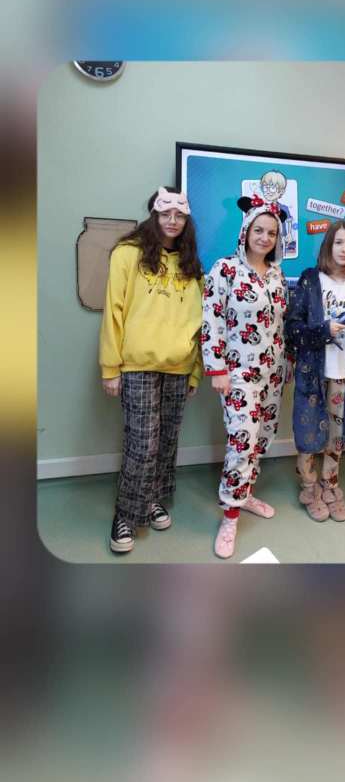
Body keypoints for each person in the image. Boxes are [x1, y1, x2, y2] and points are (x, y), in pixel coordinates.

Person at [100, 186, 204, 553]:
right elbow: (113, 310)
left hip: (179, 367)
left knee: (167, 442)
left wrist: (195, 371)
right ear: (154, 214)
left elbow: (199, 323)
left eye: (180, 215)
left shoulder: (192, 265)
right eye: (165, 213)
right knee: (142, 444)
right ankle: (126, 514)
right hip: (137, 365)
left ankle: (154, 498)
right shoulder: (128, 253)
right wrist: (110, 368)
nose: (172, 220)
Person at [202, 195, 289, 559]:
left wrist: (287, 363)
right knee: (242, 441)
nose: (265, 238)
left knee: (261, 438)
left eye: (271, 232)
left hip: (272, 372)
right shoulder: (224, 269)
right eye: (259, 230)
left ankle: (246, 493)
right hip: (238, 374)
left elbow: (280, 324)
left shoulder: (277, 274)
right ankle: (230, 516)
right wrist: (217, 369)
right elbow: (211, 321)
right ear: (246, 231)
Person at [286, 221, 345, 522]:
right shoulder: (310, 279)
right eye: (339, 242)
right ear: (329, 245)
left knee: (337, 435)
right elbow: (293, 328)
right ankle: (308, 487)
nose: (344, 249)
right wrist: (323, 330)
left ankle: (330, 484)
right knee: (309, 431)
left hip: (344, 372)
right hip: (312, 372)